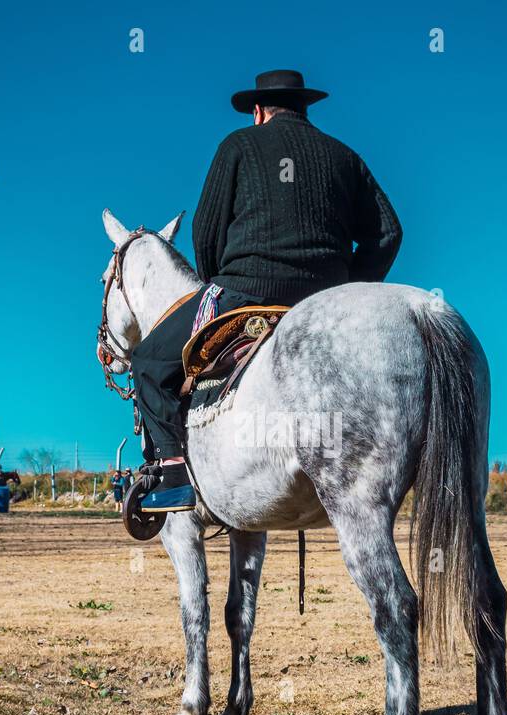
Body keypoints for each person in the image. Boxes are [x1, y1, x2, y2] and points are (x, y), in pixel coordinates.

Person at [130, 69, 403, 513]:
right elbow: (388, 234)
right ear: (304, 109)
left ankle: (174, 470)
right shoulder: (344, 156)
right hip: (327, 303)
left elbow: (206, 231)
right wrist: (348, 293)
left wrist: (221, 283)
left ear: (258, 112)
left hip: (246, 293)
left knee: (147, 361)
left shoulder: (237, 145)